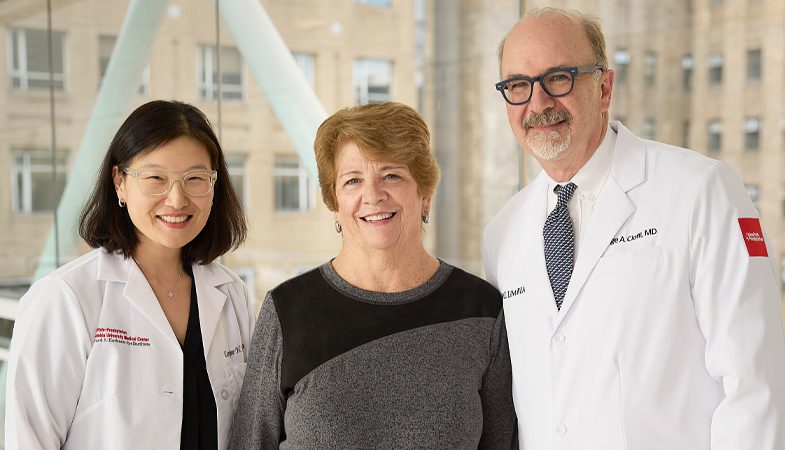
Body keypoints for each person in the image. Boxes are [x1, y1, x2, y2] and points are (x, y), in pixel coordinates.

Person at [483, 7, 785, 449]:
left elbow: (757, 385)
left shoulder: (701, 190)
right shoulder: (502, 232)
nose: (538, 102)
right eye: (518, 85)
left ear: (604, 87)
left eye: (559, 78)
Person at [229, 101, 517, 449]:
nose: (373, 195)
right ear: (334, 202)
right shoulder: (287, 312)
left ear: (424, 193)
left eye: (391, 175)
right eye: (353, 181)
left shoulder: (481, 311)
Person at [6, 100, 254, 450]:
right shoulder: (66, 297)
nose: (177, 199)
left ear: (215, 185)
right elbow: (28, 440)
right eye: (156, 178)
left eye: (195, 178)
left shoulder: (232, 295)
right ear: (119, 182)